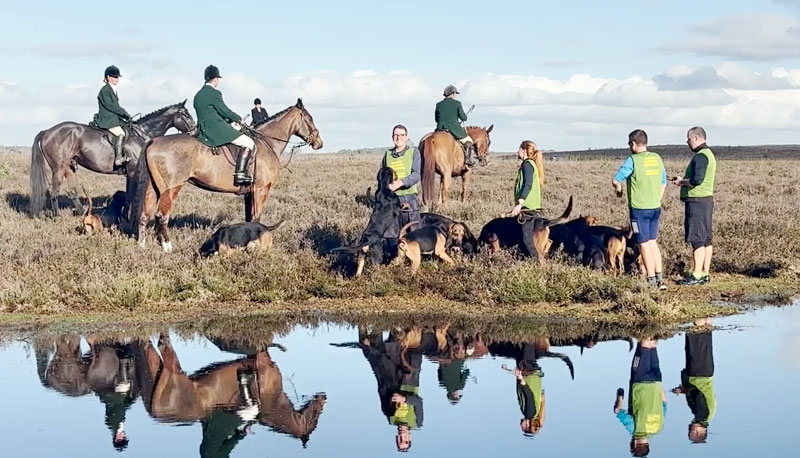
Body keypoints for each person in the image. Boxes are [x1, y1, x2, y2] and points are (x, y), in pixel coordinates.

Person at [612, 129, 667, 289]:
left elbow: (616, 180)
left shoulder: (633, 160)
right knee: (652, 242)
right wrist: (657, 199)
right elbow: (664, 182)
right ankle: (660, 278)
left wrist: (619, 192)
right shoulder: (656, 158)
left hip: (638, 210)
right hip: (655, 208)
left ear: (633, 143)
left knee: (643, 243)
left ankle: (650, 279)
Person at [194, 65, 256, 186]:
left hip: (202, 131)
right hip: (216, 130)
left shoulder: (198, 95)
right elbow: (224, 111)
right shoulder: (214, 93)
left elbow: (211, 113)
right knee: (248, 142)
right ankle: (240, 173)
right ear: (215, 79)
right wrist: (239, 119)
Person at [672, 127, 717, 285]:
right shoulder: (709, 155)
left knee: (697, 239)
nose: (687, 142)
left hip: (697, 201)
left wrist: (682, 182)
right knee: (706, 239)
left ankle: (697, 275)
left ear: (696, 138)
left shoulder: (700, 157)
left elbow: (697, 180)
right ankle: (705, 272)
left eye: (689, 139)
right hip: (706, 201)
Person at [614, 339, 667, 457]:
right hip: (640, 382)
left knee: (652, 345)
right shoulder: (634, 429)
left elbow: (664, 403)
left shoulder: (658, 428)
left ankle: (655, 325)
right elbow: (618, 411)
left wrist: (658, 386)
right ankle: (645, 324)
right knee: (644, 345)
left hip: (656, 381)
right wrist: (619, 397)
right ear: (635, 445)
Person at [672, 318, 716, 444]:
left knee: (704, 340)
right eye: (691, 432)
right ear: (698, 432)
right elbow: (697, 393)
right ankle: (700, 319)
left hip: (704, 372)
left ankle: (706, 319)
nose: (688, 429)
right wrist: (683, 390)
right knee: (697, 340)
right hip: (699, 373)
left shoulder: (707, 416)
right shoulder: (702, 415)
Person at [381, 124, 422, 249]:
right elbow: (383, 175)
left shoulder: (413, 152)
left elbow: (416, 174)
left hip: (408, 198)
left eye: (401, 135)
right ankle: (393, 262)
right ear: (392, 137)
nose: (398, 138)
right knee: (391, 234)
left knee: (413, 233)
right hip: (391, 199)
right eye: (396, 135)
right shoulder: (387, 154)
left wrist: (401, 182)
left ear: (406, 137)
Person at [512, 140, 546, 259]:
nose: (517, 151)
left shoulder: (527, 164)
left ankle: (537, 265)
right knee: (524, 239)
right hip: (531, 207)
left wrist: (520, 203)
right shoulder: (532, 164)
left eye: (519, 149)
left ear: (524, 150)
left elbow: (528, 184)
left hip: (527, 207)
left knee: (527, 241)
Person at [93, 65, 133, 167]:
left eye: (117, 77)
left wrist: (125, 116)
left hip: (114, 118)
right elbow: (111, 106)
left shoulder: (112, 90)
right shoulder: (105, 90)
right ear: (108, 77)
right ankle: (118, 158)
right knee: (120, 133)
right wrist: (123, 112)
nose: (117, 79)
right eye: (114, 77)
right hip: (107, 119)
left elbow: (115, 107)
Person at [435, 85, 475, 167]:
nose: (456, 95)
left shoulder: (438, 104)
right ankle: (467, 160)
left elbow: (436, 119)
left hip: (440, 129)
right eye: (455, 94)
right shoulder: (457, 103)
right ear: (452, 94)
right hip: (454, 129)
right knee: (469, 141)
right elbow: (463, 118)